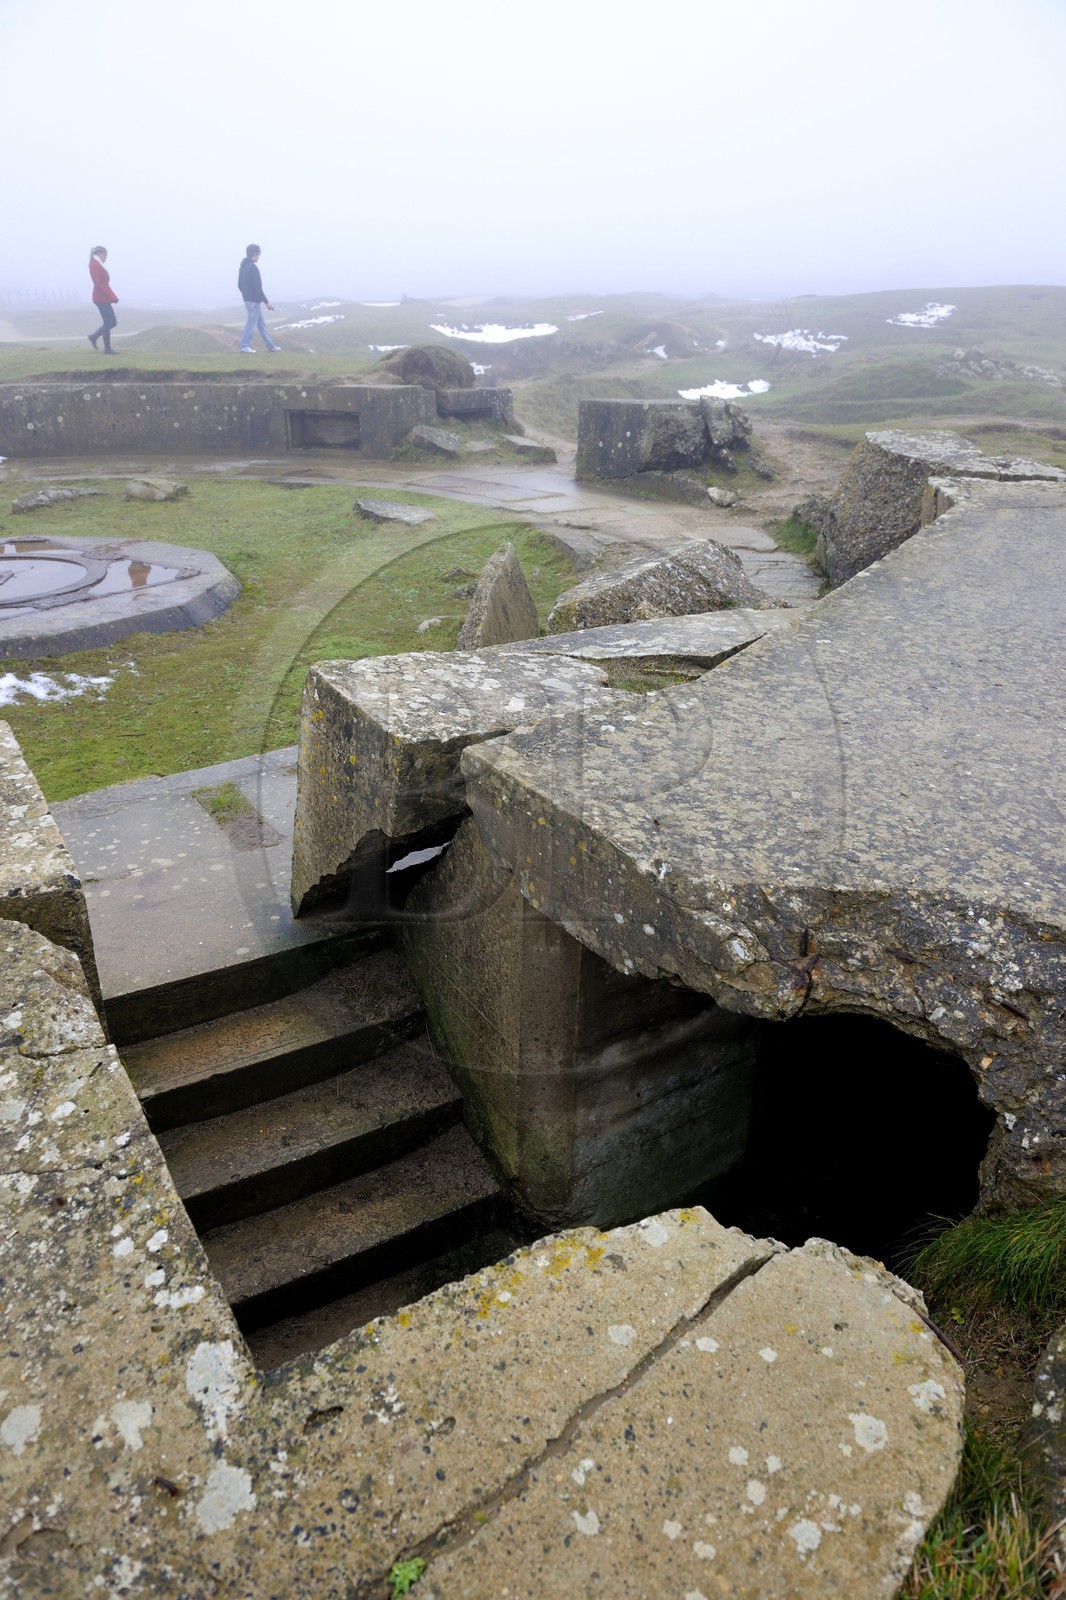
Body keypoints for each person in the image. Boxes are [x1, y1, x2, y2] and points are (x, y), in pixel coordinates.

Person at [237, 245, 280, 353]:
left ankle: (270, 346)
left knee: (261, 324)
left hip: (248, 299)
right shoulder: (253, 268)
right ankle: (244, 346)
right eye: (258, 254)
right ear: (254, 254)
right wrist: (266, 302)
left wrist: (246, 294)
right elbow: (258, 287)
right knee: (251, 323)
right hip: (253, 300)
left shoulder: (242, 267)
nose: (259, 257)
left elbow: (239, 285)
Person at [88, 246, 119, 354]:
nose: (106, 257)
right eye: (105, 255)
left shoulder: (98, 264)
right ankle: (107, 348)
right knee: (108, 322)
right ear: (100, 254)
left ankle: (94, 337)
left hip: (103, 298)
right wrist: (112, 296)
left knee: (112, 322)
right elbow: (98, 284)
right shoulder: (95, 265)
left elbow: (103, 284)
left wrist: (112, 296)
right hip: (100, 298)